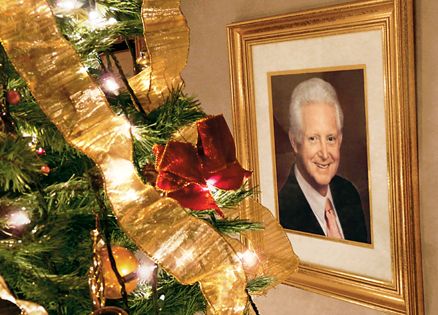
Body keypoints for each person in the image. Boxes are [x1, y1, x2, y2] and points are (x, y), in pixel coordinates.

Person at [278, 77, 369, 243]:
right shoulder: (281, 213)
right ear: (294, 142)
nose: (325, 154)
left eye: (330, 138)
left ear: (340, 139)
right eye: (313, 138)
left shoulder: (349, 193)